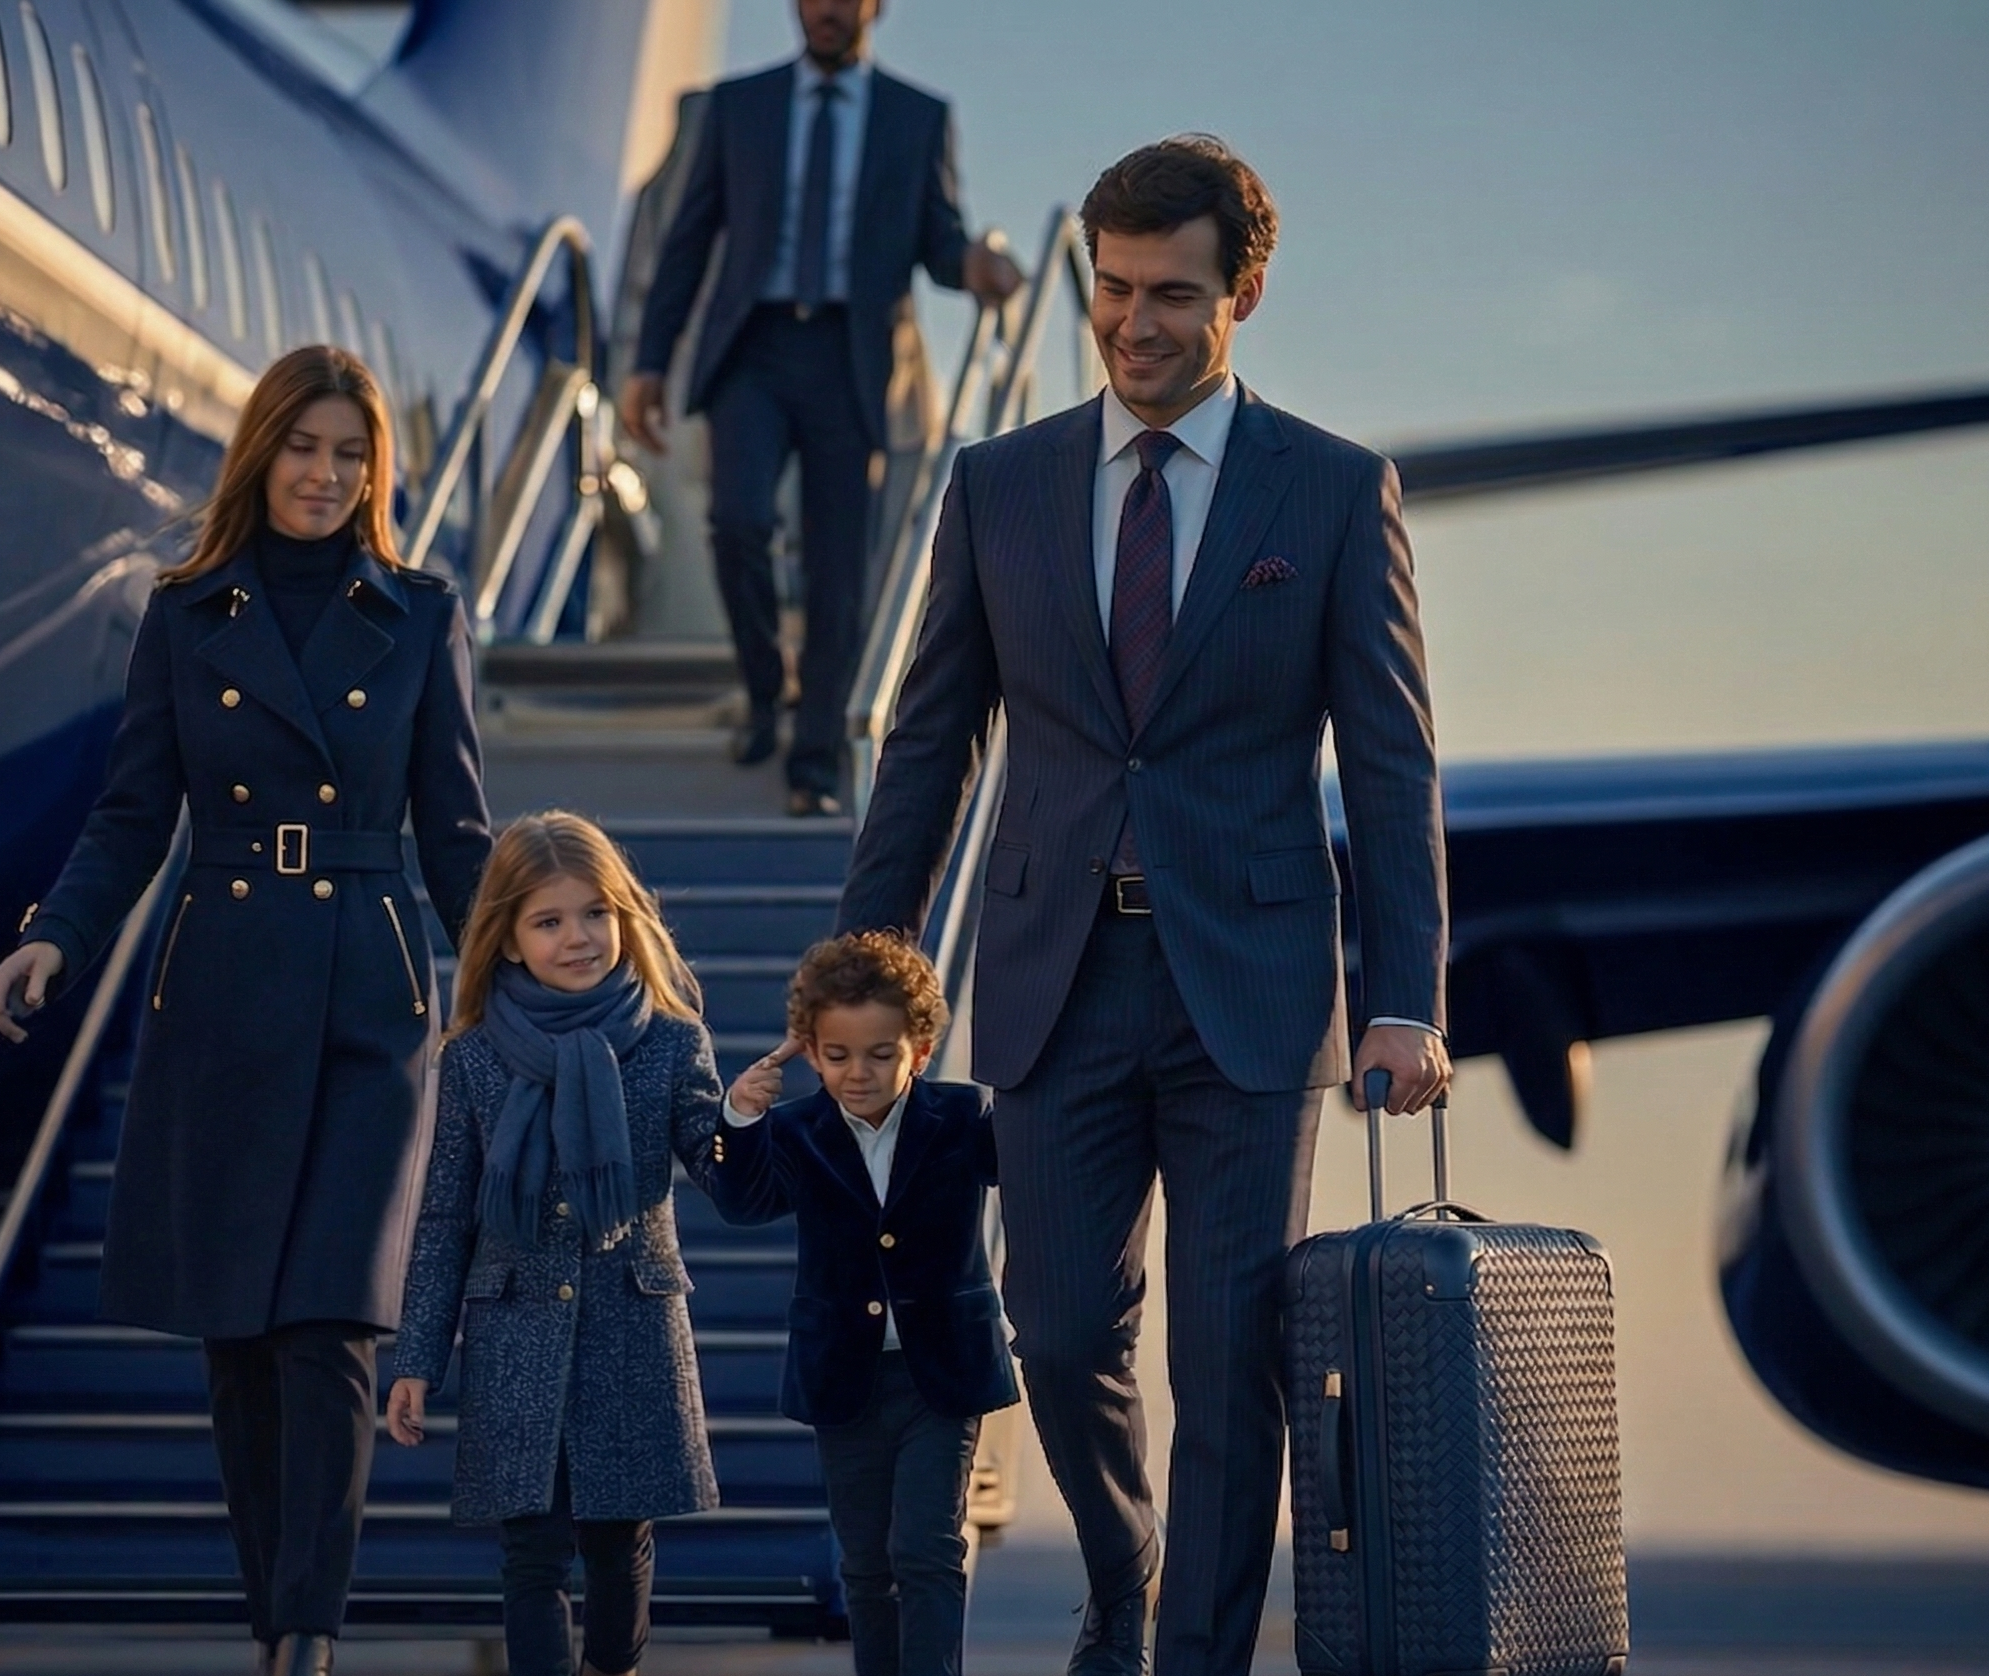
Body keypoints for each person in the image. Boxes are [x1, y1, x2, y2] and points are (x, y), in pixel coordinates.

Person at [837, 136, 1453, 1676]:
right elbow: (927, 746)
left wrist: (1406, 998)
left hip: (1249, 988)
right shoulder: (999, 488)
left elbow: (1392, 768)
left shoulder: (1329, 491)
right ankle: (1127, 1577)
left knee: (1230, 1358)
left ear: (1242, 292)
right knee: (1054, 1333)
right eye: (1111, 292)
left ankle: (1194, 1658)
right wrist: (864, 976)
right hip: (1052, 977)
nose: (1135, 325)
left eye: (1173, 294)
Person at [0, 345, 492, 1676]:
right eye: (304, 447)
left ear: (376, 473)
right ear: (260, 450)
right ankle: (277, 1609)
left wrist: (527, 985)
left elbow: (459, 834)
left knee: (330, 1320)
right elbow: (134, 811)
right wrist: (56, 934)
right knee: (240, 1336)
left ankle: (304, 1640)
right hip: (221, 983)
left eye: (351, 455)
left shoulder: (423, 614)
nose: (325, 476)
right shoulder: (186, 612)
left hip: (370, 1000)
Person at [619, 0, 1024, 817]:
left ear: (876, 8)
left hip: (850, 357)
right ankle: (767, 689)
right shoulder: (740, 106)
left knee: (840, 569)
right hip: (753, 352)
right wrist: (650, 363)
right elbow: (689, 243)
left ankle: (812, 760)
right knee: (737, 523)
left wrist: (975, 265)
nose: (827, 10)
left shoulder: (917, 117)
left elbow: (937, 239)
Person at [385, 812, 724, 1676]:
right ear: (506, 940)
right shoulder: (472, 1059)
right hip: (514, 1334)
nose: (578, 937)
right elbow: (444, 1217)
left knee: (619, 1543)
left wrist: (745, 1120)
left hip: (630, 1326)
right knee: (532, 1555)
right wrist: (415, 1359)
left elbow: (721, 1172)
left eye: (595, 915)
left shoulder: (672, 1040)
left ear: (625, 918)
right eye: (549, 921)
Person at [704, 931, 1017, 1676]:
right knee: (867, 1560)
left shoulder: (961, 1116)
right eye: (838, 1056)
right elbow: (743, 1205)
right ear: (811, 1052)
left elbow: (1025, 1164)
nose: (858, 1072)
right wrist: (740, 1119)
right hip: (844, 1376)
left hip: (940, 1371)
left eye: (881, 1054)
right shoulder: (795, 1130)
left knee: (929, 1547)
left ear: (920, 1046)